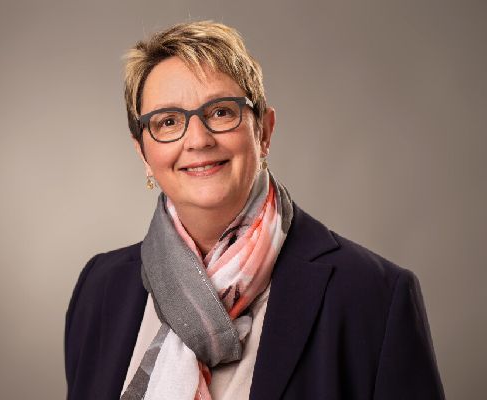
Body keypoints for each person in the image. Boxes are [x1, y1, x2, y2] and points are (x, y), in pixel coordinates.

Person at [64, 21, 445, 400]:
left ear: (264, 131)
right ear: (143, 153)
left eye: (220, 112)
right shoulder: (100, 289)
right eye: (168, 121)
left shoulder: (372, 295)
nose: (198, 140)